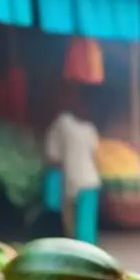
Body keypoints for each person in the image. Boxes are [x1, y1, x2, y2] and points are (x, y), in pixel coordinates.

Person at [45, 99, 101, 240]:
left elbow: (52, 154)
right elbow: (95, 153)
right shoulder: (90, 129)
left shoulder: (64, 122)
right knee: (86, 223)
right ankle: (87, 251)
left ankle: (77, 250)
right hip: (91, 181)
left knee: (71, 222)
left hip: (72, 180)